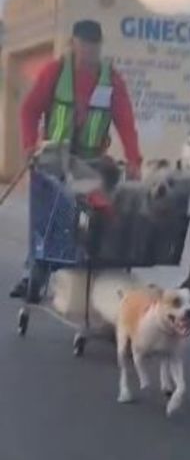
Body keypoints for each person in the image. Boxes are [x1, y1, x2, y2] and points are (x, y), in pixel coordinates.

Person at [10, 19, 143, 299]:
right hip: (55, 159)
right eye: (85, 47)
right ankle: (35, 272)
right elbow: (29, 109)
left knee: (99, 209)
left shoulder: (112, 80)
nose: (90, 54)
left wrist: (133, 160)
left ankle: (94, 265)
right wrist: (28, 145)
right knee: (49, 218)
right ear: (74, 44)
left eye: (95, 48)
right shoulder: (55, 72)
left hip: (91, 161)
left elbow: (125, 122)